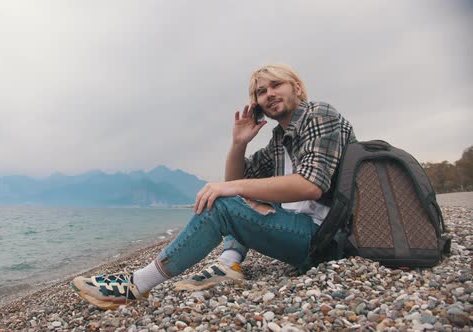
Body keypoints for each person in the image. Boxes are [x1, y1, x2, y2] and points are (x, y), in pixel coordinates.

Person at [70, 63, 357, 310]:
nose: (269, 94)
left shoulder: (319, 114)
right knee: (234, 195)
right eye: (261, 91)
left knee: (222, 202)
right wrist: (238, 143)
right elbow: (236, 182)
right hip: (306, 231)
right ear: (257, 103)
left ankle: (137, 284)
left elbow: (310, 186)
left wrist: (231, 190)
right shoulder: (280, 139)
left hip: (325, 239)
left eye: (276, 85)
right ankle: (229, 263)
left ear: (296, 87)